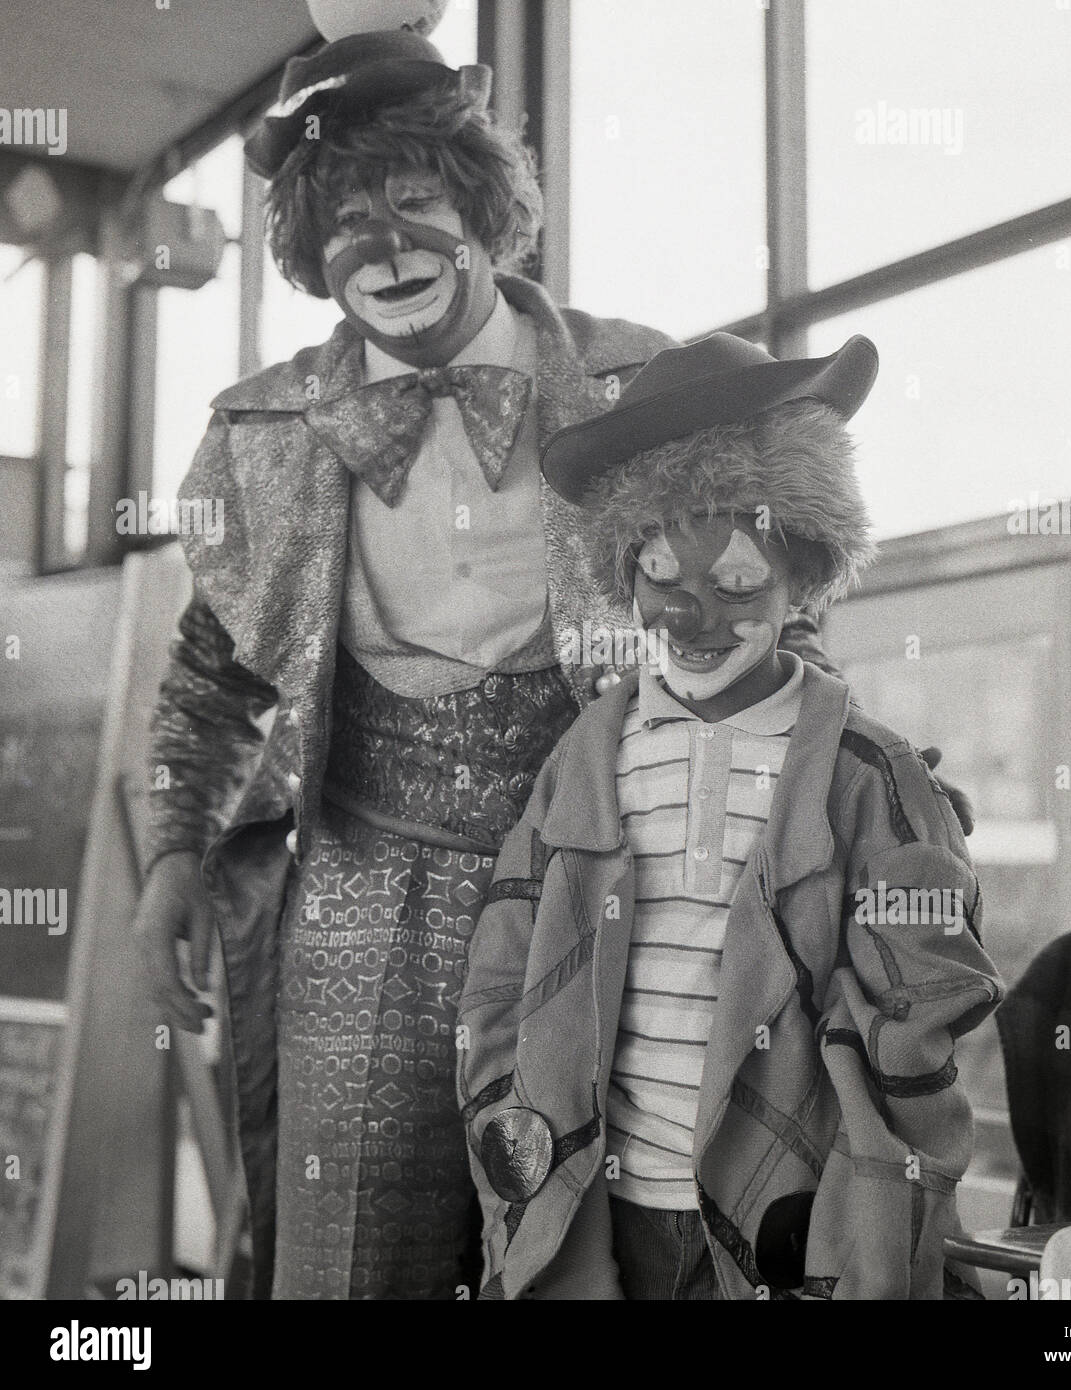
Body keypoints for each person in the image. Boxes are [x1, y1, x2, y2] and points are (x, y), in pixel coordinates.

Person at [132, 24, 834, 1300]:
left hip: (610, 871)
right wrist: (175, 852)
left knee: (612, 1229)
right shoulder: (260, 431)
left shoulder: (640, 385)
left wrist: (825, 812)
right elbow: (213, 675)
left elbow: (773, 606)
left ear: (480, 203)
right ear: (305, 248)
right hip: (357, 880)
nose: (388, 245)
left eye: (417, 201)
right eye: (349, 217)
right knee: (348, 1252)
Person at [456, 334, 1004, 1300]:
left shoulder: (868, 774)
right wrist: (519, 1161)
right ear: (622, 577)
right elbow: (501, 979)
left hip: (785, 1225)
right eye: (661, 580)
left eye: (738, 585)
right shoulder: (583, 760)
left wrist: (873, 1200)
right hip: (595, 1215)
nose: (692, 617)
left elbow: (924, 1016)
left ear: (805, 580)